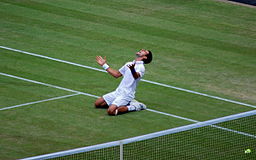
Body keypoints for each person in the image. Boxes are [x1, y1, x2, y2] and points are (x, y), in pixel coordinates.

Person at [95, 49, 153, 116]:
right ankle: (122, 103)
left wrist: (132, 69)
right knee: (97, 103)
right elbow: (116, 74)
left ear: (145, 57)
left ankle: (135, 106)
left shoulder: (141, 67)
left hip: (127, 94)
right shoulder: (129, 64)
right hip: (118, 92)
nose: (142, 49)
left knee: (111, 111)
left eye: (145, 51)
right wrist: (104, 65)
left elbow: (136, 76)